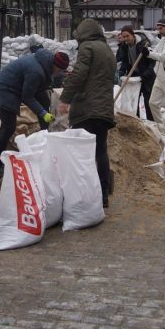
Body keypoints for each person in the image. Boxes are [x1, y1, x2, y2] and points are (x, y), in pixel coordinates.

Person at [58, 18, 116, 208]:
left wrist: (65, 98)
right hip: (104, 109)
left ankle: (85, 194)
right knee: (100, 151)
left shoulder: (87, 47)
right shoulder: (106, 49)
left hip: (87, 109)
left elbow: (79, 74)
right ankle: (104, 195)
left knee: (83, 154)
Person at [0, 49, 70, 177]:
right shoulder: (36, 71)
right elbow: (27, 97)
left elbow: (39, 88)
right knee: (9, 127)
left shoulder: (47, 62)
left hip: (17, 85)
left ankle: (45, 137)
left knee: (44, 99)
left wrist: (44, 111)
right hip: (5, 89)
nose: (59, 73)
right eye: (59, 71)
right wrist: (43, 113)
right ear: (55, 65)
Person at [116, 26, 155, 121]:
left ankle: (151, 123)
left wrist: (145, 75)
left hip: (146, 78)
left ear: (133, 35)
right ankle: (135, 121)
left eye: (127, 36)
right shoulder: (124, 47)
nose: (125, 39)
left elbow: (152, 63)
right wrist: (121, 73)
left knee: (148, 102)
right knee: (134, 101)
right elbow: (125, 62)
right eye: (123, 37)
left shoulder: (144, 45)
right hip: (134, 77)